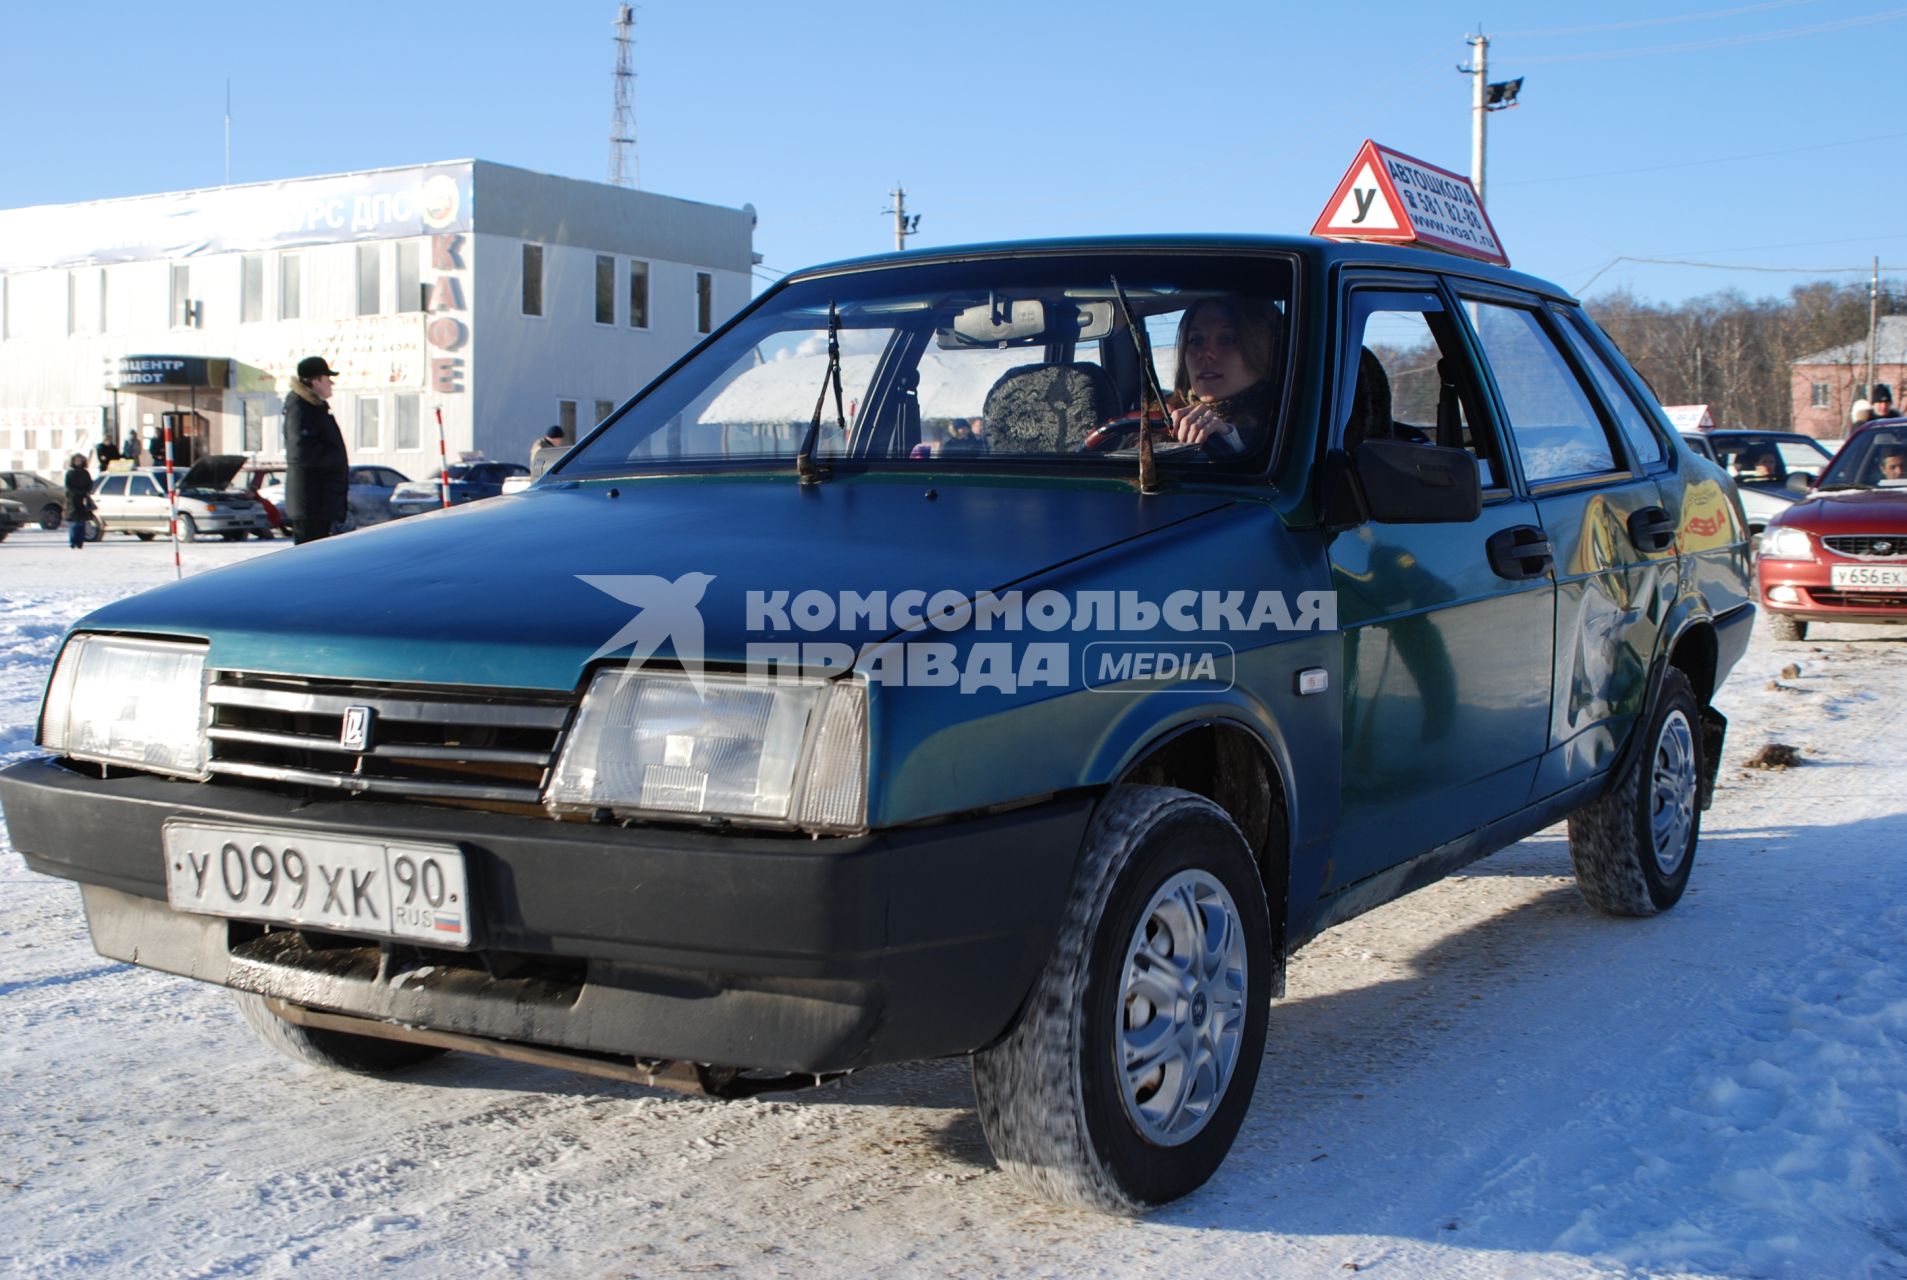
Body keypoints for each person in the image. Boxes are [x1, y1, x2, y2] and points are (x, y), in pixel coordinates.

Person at [1166, 297, 1283, 452]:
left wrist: (1230, 445)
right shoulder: (1156, 420)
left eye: (1227, 339)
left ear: (1263, 349)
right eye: (1196, 340)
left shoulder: (1289, 424)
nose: (1206, 353)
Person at [283, 356, 349, 544]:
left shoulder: (313, 407)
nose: (331, 384)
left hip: (320, 502)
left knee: (322, 559)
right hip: (311, 503)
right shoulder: (300, 408)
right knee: (310, 561)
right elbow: (300, 451)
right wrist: (335, 458)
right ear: (315, 381)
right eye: (328, 379)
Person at [62, 453, 93, 550]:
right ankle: (73, 542)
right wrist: (78, 492)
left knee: (82, 523)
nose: (78, 462)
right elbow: (68, 487)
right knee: (74, 523)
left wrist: (85, 492)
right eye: (76, 460)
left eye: (80, 460)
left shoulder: (85, 473)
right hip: (72, 500)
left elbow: (89, 484)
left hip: (83, 500)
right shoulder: (70, 473)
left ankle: (80, 542)